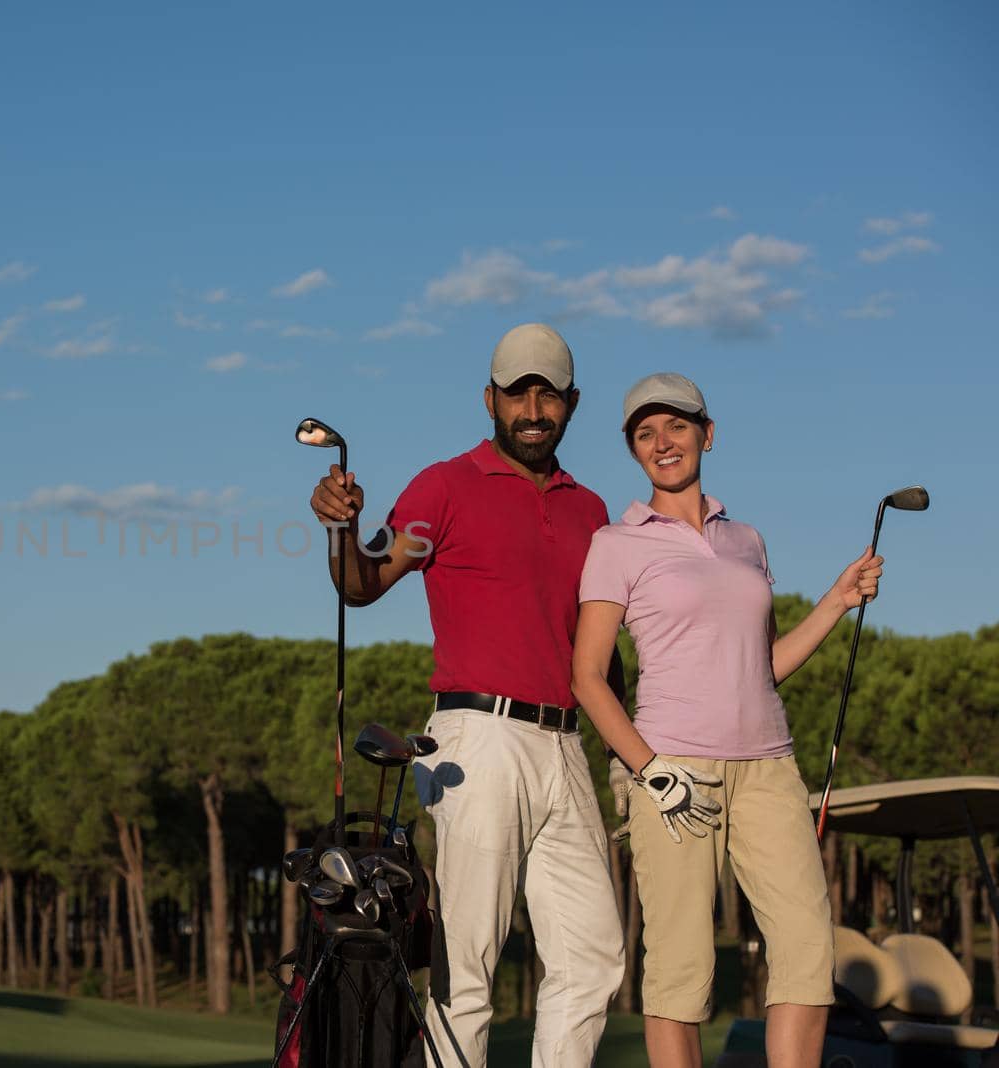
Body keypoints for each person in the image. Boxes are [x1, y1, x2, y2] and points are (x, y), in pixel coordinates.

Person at [308, 323, 625, 1068]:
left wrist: (627, 759)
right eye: (519, 392)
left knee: (595, 958)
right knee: (469, 966)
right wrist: (340, 530)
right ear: (491, 398)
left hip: (567, 745)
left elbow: (603, 651)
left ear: (572, 403)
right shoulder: (443, 487)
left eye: (549, 393)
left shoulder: (593, 510)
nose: (534, 408)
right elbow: (363, 583)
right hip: (478, 741)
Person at [569, 372, 883, 1068]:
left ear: (706, 435)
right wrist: (651, 773)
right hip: (675, 771)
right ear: (634, 450)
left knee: (806, 950)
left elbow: (759, 665)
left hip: (770, 766)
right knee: (682, 972)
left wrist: (834, 600)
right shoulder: (617, 544)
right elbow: (587, 677)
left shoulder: (746, 539)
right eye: (645, 433)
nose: (663, 442)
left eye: (676, 427)